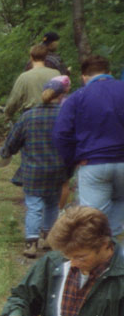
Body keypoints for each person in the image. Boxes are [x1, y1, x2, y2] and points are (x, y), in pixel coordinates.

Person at [0, 76, 72, 258]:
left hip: (33, 170)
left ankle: (31, 243)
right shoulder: (66, 115)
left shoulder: (28, 116)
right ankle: (48, 238)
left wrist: (6, 153)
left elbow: (13, 141)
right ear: (60, 95)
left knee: (34, 206)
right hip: (58, 168)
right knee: (51, 204)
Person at [52, 54, 124, 236]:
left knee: (92, 223)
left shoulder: (77, 98)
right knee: (116, 222)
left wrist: (73, 159)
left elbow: (61, 133)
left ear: (83, 77)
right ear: (109, 72)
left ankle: (96, 261)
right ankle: (114, 258)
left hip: (93, 164)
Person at [4, 44, 60, 120]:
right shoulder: (56, 73)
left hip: (31, 116)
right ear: (46, 57)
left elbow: (14, 99)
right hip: (54, 116)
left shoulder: (24, 77)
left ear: (31, 57)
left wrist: (8, 114)